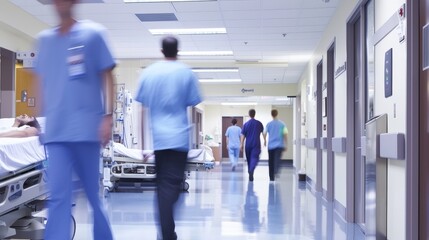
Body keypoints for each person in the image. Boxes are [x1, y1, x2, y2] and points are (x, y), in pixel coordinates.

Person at [33, 0, 115, 239]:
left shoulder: (93, 34)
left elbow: (108, 76)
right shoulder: (45, 40)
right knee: (59, 197)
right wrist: (39, 123)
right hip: (57, 133)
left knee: (92, 195)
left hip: (87, 131)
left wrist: (107, 117)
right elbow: (42, 84)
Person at [135, 36, 202, 240]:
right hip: (179, 140)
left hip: (160, 142)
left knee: (164, 187)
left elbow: (142, 110)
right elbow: (192, 105)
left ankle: (166, 231)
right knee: (170, 189)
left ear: (162, 51)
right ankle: (167, 233)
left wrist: (143, 144)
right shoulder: (186, 73)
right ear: (177, 51)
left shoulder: (149, 73)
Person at [263, 109, 288, 181]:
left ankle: (271, 177)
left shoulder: (269, 124)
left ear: (271, 115)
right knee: (277, 159)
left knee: (271, 161)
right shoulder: (282, 124)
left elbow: (264, 133)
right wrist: (286, 144)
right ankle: (276, 170)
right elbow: (285, 134)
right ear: (277, 114)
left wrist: (265, 140)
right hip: (279, 145)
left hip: (271, 146)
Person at [240, 109, 264, 182]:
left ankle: (250, 171)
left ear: (249, 114)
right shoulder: (259, 123)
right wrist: (265, 140)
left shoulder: (246, 124)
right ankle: (251, 170)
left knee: (249, 159)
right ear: (255, 114)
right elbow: (263, 133)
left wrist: (241, 144)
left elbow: (243, 135)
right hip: (256, 144)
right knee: (254, 158)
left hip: (248, 144)